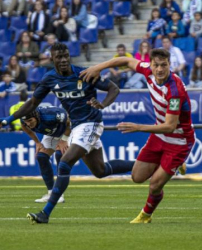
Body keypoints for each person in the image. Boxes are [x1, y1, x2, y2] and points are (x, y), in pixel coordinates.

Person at [0, 43, 135, 224]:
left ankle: (45, 214)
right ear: (53, 59)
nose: (63, 60)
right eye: (59, 57)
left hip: (91, 123)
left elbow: (114, 89)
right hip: (78, 126)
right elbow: (32, 103)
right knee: (100, 171)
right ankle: (150, 165)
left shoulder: (84, 73)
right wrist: (8, 119)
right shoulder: (49, 78)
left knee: (64, 163)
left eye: (66, 56)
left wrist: (103, 104)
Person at [79, 48, 195, 224]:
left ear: (170, 65)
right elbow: (125, 61)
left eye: (164, 65)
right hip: (160, 136)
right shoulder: (147, 71)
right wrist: (98, 67)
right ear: (151, 65)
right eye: (156, 65)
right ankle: (176, 165)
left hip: (179, 140)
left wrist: (139, 127)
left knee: (155, 185)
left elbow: (170, 126)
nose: (160, 69)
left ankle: (145, 215)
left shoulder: (174, 90)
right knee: (137, 177)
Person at [20, 106, 71, 203]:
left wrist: (63, 140)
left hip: (69, 130)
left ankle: (58, 194)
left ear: (37, 117)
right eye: (26, 121)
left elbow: (69, 122)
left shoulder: (50, 116)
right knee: (41, 156)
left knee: (60, 154)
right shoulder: (25, 120)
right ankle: (51, 193)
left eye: (30, 120)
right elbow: (24, 126)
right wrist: (37, 142)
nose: (28, 123)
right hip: (54, 132)